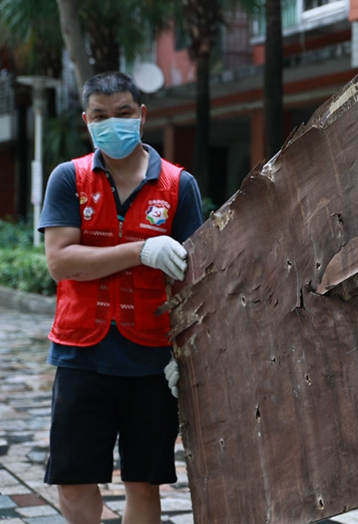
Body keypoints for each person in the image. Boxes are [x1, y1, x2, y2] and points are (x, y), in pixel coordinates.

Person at [40, 71, 203, 524]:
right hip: (80, 353)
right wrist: (141, 250)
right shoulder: (68, 178)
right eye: (101, 116)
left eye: (124, 113)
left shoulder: (178, 186)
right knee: (72, 479)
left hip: (151, 359)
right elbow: (61, 261)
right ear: (87, 122)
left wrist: (187, 352)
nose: (113, 124)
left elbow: (196, 281)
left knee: (144, 481)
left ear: (142, 115)